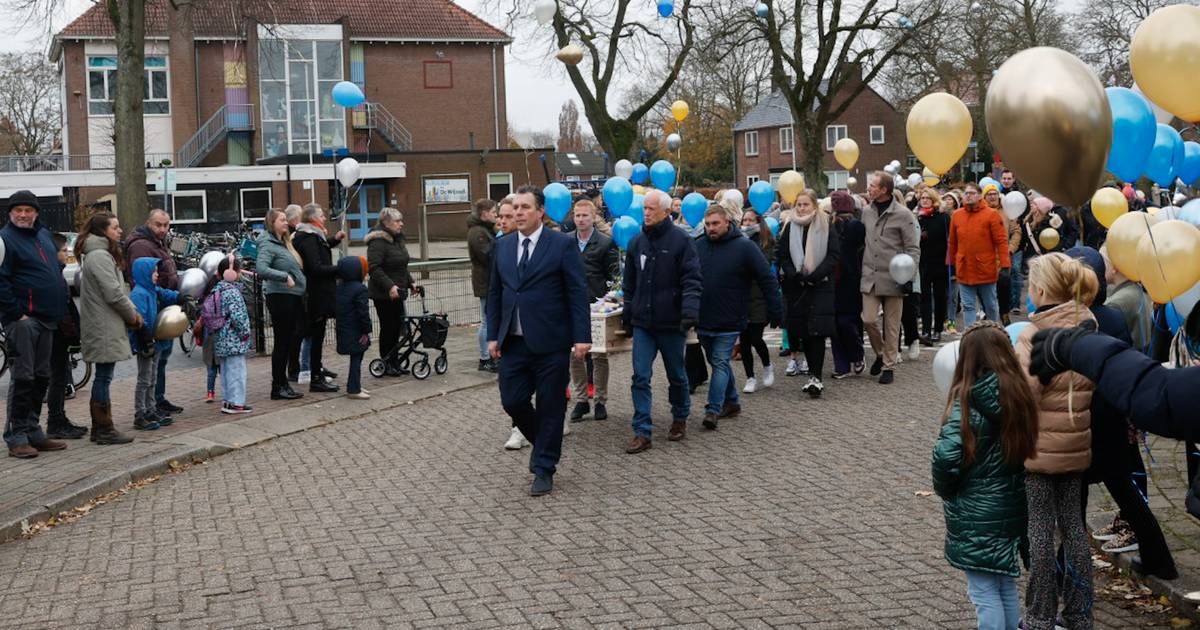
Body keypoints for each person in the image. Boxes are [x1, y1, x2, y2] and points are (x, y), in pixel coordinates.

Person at [1067, 246, 1177, 580]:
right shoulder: (1111, 315)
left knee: (1075, 501)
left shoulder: (1082, 318)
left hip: (1087, 416)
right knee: (1124, 490)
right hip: (1112, 411)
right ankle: (1160, 560)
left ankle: (1070, 573)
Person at [931, 321, 1039, 630]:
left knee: (983, 592)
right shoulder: (1020, 397)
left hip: (977, 511)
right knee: (1003, 584)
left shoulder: (967, 404)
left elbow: (945, 457)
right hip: (1012, 506)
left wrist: (947, 490)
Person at [486, 185, 591, 496]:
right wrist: (493, 334)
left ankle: (544, 467)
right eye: (514, 208)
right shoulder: (502, 246)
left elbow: (576, 292)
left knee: (550, 406)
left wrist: (581, 337)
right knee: (513, 401)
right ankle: (543, 445)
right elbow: (495, 293)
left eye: (524, 207)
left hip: (551, 342)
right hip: (513, 343)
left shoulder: (560, 245)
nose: (518, 213)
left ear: (540, 212)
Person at [1013, 252, 1098, 630]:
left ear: (1041, 289)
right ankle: (1081, 613)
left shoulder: (1035, 333)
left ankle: (1040, 614)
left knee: (1040, 531)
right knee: (1075, 527)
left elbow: (1023, 394)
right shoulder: (1089, 324)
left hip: (1040, 448)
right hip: (1077, 441)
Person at [622, 189, 703, 452]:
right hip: (643, 323)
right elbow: (629, 284)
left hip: (671, 322)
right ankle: (642, 430)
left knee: (676, 375)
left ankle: (680, 417)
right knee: (640, 377)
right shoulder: (636, 243)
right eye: (644, 208)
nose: (645, 213)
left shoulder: (681, 241)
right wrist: (627, 314)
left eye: (651, 209)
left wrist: (689, 312)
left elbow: (691, 279)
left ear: (667, 212)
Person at [694, 203, 781, 428]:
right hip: (703, 317)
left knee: (721, 361)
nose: (711, 228)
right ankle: (732, 402)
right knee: (716, 361)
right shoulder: (698, 246)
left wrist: (775, 308)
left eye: (715, 224)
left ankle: (713, 409)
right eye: (708, 224)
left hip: (732, 316)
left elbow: (766, 278)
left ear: (727, 222)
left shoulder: (744, 247)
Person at [0, 191, 72, 457]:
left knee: (42, 376)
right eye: (17, 210)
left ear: (36, 213)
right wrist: (17, 313)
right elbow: (1, 280)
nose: (22, 214)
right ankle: (16, 435)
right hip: (23, 321)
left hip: (47, 319)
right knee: (23, 377)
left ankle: (33, 430)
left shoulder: (43, 236)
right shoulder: (5, 240)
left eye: (27, 210)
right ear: (10, 213)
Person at [77, 212, 139, 445]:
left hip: (103, 324)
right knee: (103, 377)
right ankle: (104, 428)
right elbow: (114, 293)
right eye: (115, 227)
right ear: (103, 231)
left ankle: (101, 428)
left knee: (104, 376)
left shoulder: (98, 255)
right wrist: (133, 316)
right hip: (103, 326)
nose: (120, 231)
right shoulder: (100, 256)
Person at [777, 191, 840, 397]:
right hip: (797, 287)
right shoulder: (790, 226)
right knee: (803, 331)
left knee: (817, 332)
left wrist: (815, 275)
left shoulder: (825, 225)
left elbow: (833, 255)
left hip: (820, 285)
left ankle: (816, 376)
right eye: (798, 204)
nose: (801, 208)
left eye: (805, 204)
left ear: (814, 205)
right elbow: (782, 254)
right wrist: (793, 274)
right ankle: (811, 371)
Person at [861, 171, 920, 384]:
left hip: (896, 276)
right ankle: (879, 353)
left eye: (872, 186)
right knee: (868, 319)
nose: (868, 189)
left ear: (884, 189)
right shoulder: (866, 211)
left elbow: (913, 248)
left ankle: (888, 366)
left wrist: (908, 276)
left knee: (892, 326)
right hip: (870, 275)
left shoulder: (904, 215)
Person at [124, 208, 183, 417]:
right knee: (153, 364)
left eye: (166, 225)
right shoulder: (141, 245)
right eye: (158, 225)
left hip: (161, 305)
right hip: (153, 311)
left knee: (162, 357)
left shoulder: (158, 242)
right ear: (149, 223)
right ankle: (149, 406)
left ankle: (157, 400)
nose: (163, 229)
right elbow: (142, 277)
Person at [568, 198, 619, 422]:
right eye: (577, 216)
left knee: (598, 355)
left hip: (596, 306)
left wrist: (610, 299)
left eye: (585, 215)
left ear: (593, 217)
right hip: (570, 307)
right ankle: (580, 400)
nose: (580, 219)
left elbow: (614, 277)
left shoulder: (606, 242)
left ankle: (600, 400)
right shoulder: (565, 242)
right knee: (575, 355)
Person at [292, 204, 344, 393]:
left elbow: (320, 250)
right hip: (315, 296)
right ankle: (315, 377)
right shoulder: (308, 237)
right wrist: (341, 268)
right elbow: (315, 267)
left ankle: (316, 372)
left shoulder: (312, 235)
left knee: (316, 337)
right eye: (322, 215)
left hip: (316, 294)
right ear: (313, 218)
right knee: (315, 337)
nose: (324, 218)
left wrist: (334, 240)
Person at [256, 208, 306, 401]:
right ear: (272, 223)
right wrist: (284, 276)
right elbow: (261, 268)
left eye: (286, 220)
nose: (286, 223)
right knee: (282, 343)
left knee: (287, 341)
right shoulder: (268, 244)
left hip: (291, 297)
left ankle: (282, 383)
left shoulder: (284, 243)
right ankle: (278, 386)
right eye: (282, 220)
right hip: (280, 297)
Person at [127, 257, 180, 430]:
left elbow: (165, 293)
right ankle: (140, 413)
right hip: (145, 342)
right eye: (154, 272)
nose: (157, 274)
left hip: (155, 341)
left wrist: (180, 297)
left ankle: (151, 408)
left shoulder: (151, 290)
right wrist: (145, 338)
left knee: (152, 377)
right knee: (144, 378)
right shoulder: (139, 294)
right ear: (144, 274)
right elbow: (140, 319)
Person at [44, 232, 88, 439]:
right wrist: (72, 336)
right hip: (57, 337)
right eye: (62, 251)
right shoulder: (53, 275)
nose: (65, 254)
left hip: (60, 335)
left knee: (60, 379)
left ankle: (59, 419)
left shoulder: (57, 272)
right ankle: (55, 422)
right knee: (57, 379)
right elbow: (63, 309)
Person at [948, 182, 1009, 327]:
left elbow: (1001, 241)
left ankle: (993, 332)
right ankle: (969, 335)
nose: (968, 196)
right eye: (966, 193)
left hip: (985, 269)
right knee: (968, 306)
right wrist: (950, 263)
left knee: (991, 305)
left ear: (980, 196)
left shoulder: (991, 215)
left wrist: (1005, 265)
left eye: (971, 193)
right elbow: (952, 242)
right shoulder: (957, 215)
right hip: (964, 269)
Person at [365, 208, 416, 375]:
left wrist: (411, 283)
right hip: (384, 294)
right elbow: (374, 268)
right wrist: (390, 286)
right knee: (389, 328)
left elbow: (401, 265)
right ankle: (386, 362)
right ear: (386, 223)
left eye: (401, 220)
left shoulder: (397, 239)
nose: (401, 224)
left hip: (398, 291)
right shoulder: (378, 242)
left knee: (396, 328)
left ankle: (394, 361)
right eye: (397, 221)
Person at [204, 255, 253, 414]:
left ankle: (227, 401)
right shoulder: (232, 292)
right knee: (237, 371)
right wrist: (245, 333)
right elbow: (238, 317)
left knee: (225, 370)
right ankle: (237, 402)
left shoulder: (217, 290)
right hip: (234, 339)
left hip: (221, 337)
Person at [738, 209, 776, 392]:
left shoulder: (765, 241)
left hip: (758, 295)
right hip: (741, 295)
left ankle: (767, 365)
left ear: (758, 221)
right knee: (743, 340)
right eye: (744, 220)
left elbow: (764, 266)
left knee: (756, 337)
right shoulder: (736, 240)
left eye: (750, 220)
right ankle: (750, 377)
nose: (746, 223)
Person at [830, 191, 866, 379]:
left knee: (846, 322)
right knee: (835, 324)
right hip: (834, 280)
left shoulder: (856, 226)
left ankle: (856, 355)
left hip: (850, 280)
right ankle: (841, 364)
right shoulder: (830, 225)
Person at [1100, 245, 1152, 354]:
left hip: (1133, 356)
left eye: (1102, 263)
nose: (1099, 267)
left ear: (1114, 268)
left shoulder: (1119, 302)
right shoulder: (1135, 288)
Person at [335, 256, 372, 401]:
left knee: (355, 357)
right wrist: (367, 329)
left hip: (344, 327)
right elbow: (363, 311)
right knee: (357, 357)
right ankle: (353, 388)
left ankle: (355, 384)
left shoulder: (339, 287)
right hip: (357, 330)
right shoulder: (360, 289)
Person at [467, 199, 498, 372]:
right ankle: (485, 358)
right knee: (486, 320)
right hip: (485, 282)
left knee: (489, 319)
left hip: (488, 280)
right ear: (484, 213)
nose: (496, 214)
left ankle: (490, 356)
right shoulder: (478, 233)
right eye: (494, 211)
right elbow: (487, 256)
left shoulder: (484, 230)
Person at [917, 188, 949, 344]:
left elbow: (948, 239)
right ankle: (926, 330)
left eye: (927, 198)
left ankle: (937, 329)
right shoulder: (918, 217)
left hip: (940, 262)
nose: (924, 200)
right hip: (923, 262)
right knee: (924, 297)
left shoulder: (943, 218)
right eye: (922, 198)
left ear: (934, 200)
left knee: (939, 297)